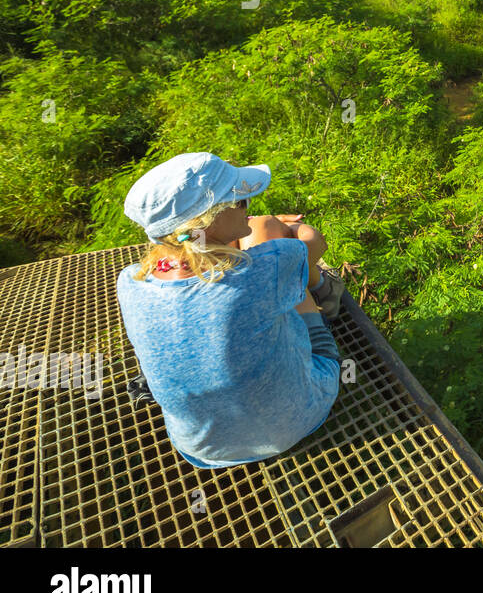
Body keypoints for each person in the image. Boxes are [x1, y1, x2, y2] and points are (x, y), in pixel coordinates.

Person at [115, 152, 342, 469]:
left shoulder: (128, 283)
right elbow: (312, 241)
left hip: (202, 446)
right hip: (296, 418)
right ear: (210, 220)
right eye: (241, 201)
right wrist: (281, 229)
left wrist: (246, 231)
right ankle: (329, 297)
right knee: (289, 269)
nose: (248, 205)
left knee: (264, 256)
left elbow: (207, 257)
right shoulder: (269, 266)